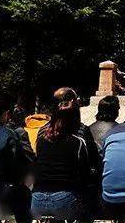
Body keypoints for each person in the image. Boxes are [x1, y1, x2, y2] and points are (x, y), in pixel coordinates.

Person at [23, 87, 98, 221]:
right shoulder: (78, 140)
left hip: (37, 199)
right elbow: (86, 169)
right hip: (65, 198)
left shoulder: (41, 138)